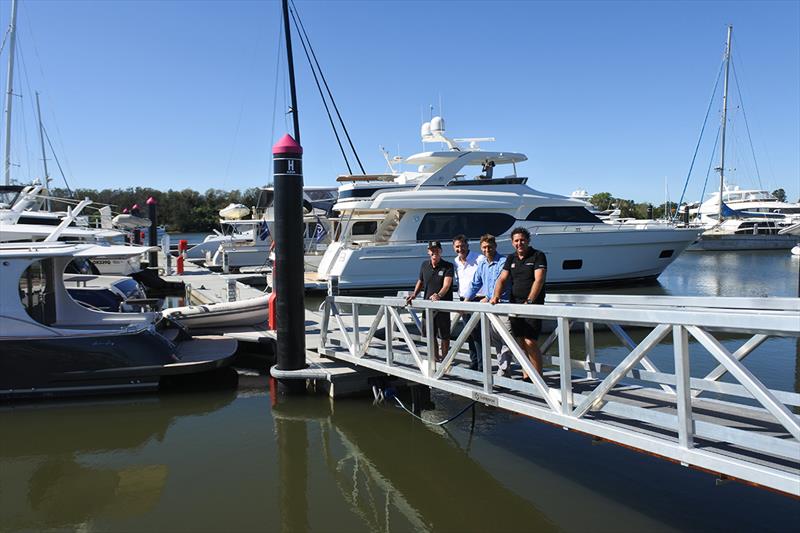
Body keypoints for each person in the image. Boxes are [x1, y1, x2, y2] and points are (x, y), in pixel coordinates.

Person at [490, 227, 547, 378]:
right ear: (512, 242)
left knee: (530, 341)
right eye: (516, 240)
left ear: (528, 241)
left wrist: (529, 301)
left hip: (532, 305)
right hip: (514, 304)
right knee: (520, 342)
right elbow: (502, 278)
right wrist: (495, 295)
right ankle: (526, 374)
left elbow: (539, 279)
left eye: (522, 240)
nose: (519, 243)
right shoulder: (511, 258)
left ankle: (538, 377)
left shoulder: (538, 255)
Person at [462, 234, 513, 377]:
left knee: (506, 339)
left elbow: (500, 282)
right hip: (490, 308)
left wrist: (488, 297)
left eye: (489, 247)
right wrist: (466, 300)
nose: (487, 250)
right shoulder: (483, 264)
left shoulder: (503, 262)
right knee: (496, 339)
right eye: (484, 247)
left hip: (503, 305)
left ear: (495, 246)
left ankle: (504, 370)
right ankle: (504, 368)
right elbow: (475, 283)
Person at [405, 241, 454, 362]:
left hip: (442, 306)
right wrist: (414, 294)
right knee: (430, 335)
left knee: (444, 335)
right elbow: (420, 281)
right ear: (428, 251)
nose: (434, 252)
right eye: (432, 250)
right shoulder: (424, 265)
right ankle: (435, 358)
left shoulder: (448, 266)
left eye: (437, 250)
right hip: (427, 306)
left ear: (441, 251)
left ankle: (445, 360)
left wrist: (438, 295)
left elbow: (446, 285)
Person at [452, 235, 484, 370]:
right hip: (463, 299)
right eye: (457, 246)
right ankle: (474, 360)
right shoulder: (455, 262)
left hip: (478, 298)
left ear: (467, 245)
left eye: (462, 245)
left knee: (478, 332)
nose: (460, 249)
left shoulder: (479, 258)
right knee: (468, 332)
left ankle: (482, 364)